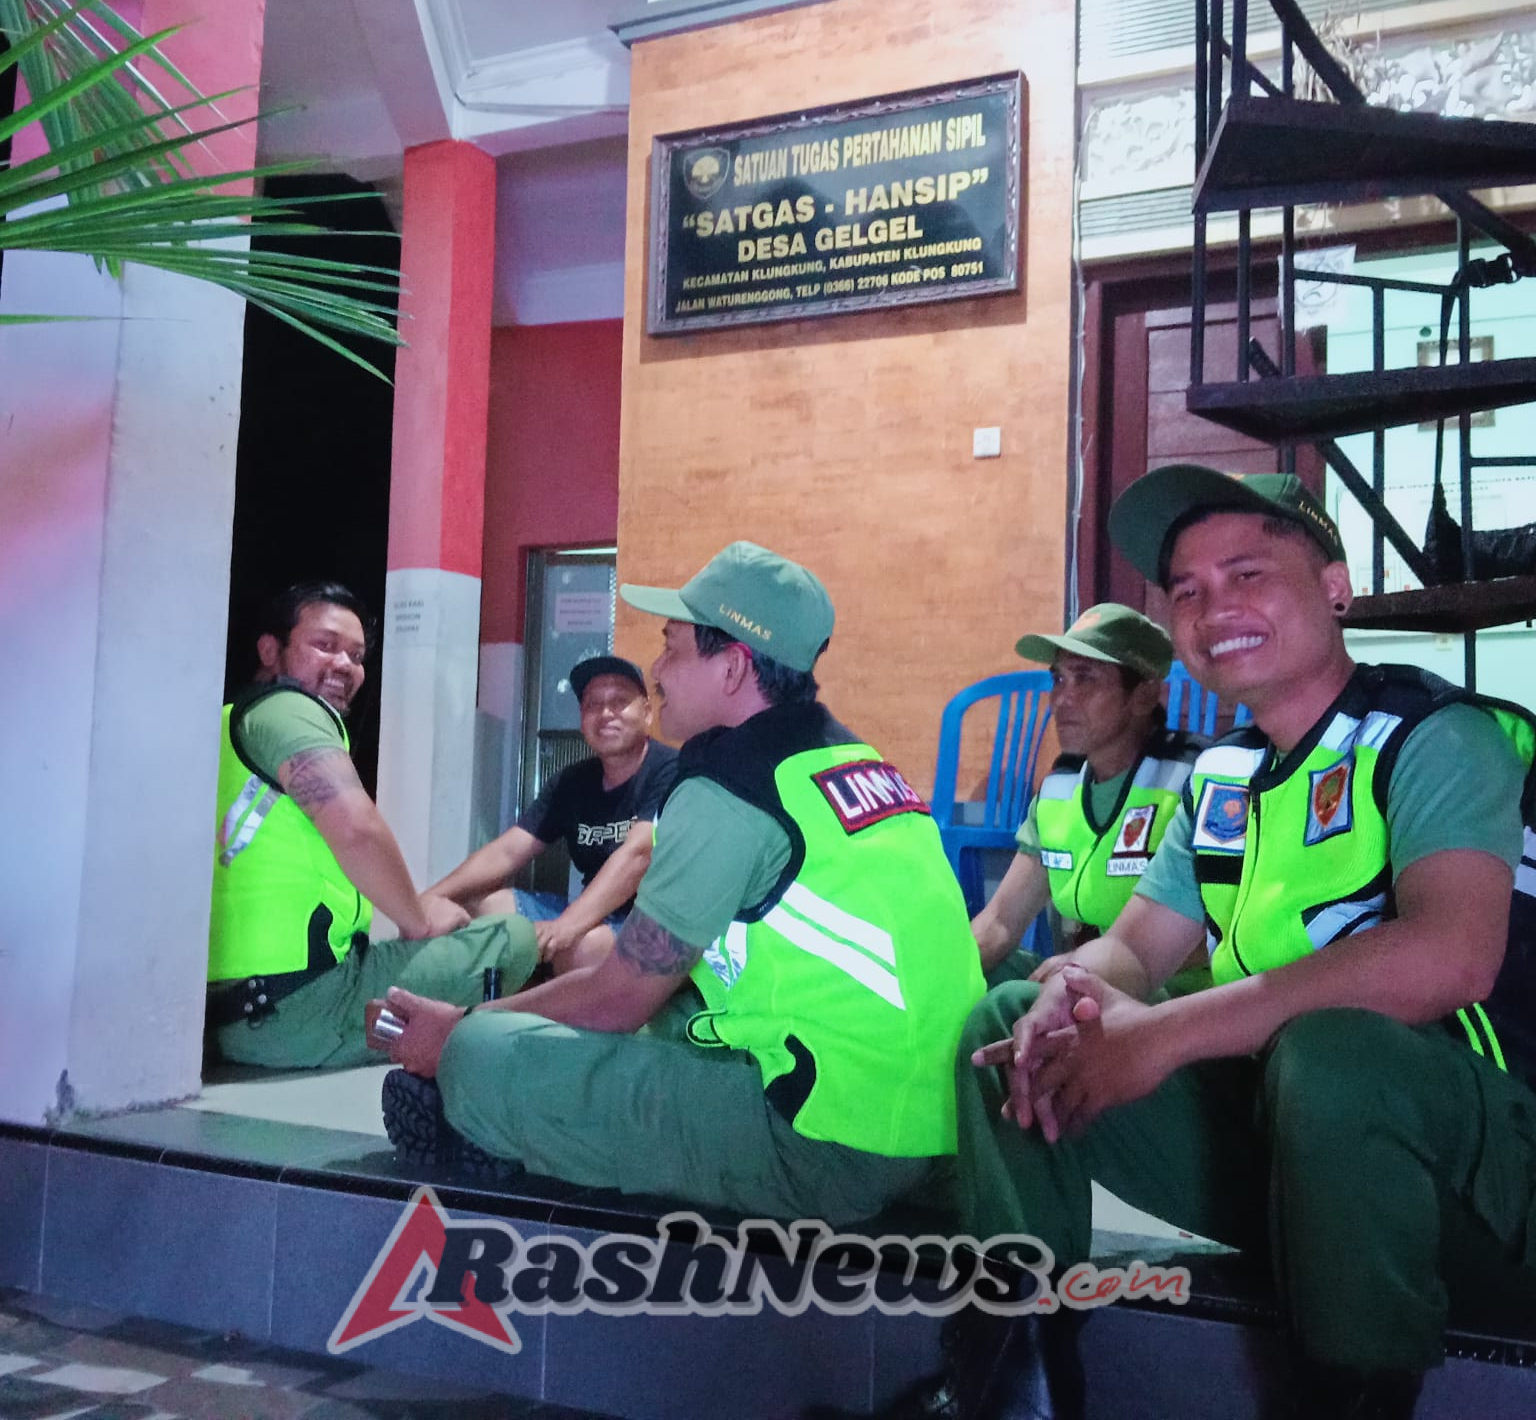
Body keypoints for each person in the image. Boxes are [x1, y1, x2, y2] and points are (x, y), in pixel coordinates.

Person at [938, 468, 1536, 1420]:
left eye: (1249, 573)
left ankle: (1355, 1399)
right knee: (1016, 1023)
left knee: (1332, 1052)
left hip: (1473, 1182)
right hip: (1288, 1151)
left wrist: (1164, 1036)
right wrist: (1071, 986)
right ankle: (1017, 1389)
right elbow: (1132, 951)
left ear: (1335, 586)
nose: (1216, 608)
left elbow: (1449, 956)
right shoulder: (1222, 777)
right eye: (1188, 590)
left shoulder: (1438, 736)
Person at [372, 541, 986, 1226]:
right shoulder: (858, 761)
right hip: (936, 1134)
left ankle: (483, 1114)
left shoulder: (730, 787)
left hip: (826, 1147)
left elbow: (619, 999)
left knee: (485, 1055)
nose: (657, 670)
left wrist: (456, 1031)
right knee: (663, 1023)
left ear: (732, 667)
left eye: (673, 648)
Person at [206, 582, 537, 1070]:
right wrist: (418, 919)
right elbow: (356, 827)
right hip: (299, 1011)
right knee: (511, 937)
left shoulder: (231, 719)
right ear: (270, 650)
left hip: (234, 1013)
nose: (346, 665)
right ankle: (429, 1042)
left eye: (357, 655)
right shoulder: (288, 710)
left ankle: (404, 1033)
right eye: (326, 645)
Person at [970, 604, 1205, 993]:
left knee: (1014, 999)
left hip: (1174, 990)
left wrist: (1097, 961)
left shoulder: (1192, 781)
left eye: (1086, 679)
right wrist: (930, 979)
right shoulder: (1060, 787)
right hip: (1085, 973)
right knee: (979, 978)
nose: (1062, 699)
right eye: (1059, 679)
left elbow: (1222, 936)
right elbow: (1000, 923)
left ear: (1145, 694)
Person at [428, 654, 677, 973]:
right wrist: (430, 898)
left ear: (646, 712)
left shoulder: (670, 769)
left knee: (583, 949)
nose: (605, 713)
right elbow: (507, 851)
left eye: (619, 702)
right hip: (592, 914)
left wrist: (567, 926)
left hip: (652, 924)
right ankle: (496, 1016)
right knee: (492, 910)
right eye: (592, 705)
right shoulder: (572, 781)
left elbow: (638, 856)